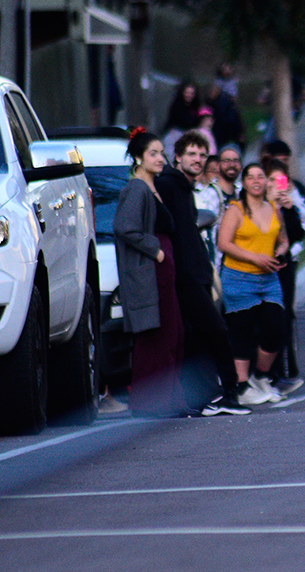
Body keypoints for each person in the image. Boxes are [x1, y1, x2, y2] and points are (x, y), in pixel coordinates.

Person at [156, 131, 251, 415]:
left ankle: (204, 397)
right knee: (217, 331)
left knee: (197, 338)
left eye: (202, 155)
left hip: (197, 273)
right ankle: (229, 394)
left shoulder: (186, 188)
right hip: (184, 276)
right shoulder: (168, 186)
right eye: (191, 154)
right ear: (177, 157)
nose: (197, 160)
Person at [112, 129, 187, 417]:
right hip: (150, 274)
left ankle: (171, 400)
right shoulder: (137, 189)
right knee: (156, 338)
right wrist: (156, 251)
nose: (159, 158)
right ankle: (150, 404)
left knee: (173, 335)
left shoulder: (153, 188)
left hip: (164, 273)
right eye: (153, 153)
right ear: (138, 158)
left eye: (161, 153)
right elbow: (125, 227)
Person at [217, 162, 291, 406]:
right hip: (239, 278)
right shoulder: (236, 210)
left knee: (275, 327)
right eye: (251, 177)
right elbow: (223, 243)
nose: (257, 181)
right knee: (242, 331)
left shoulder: (273, 208)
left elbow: (283, 240)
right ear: (244, 183)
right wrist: (255, 258)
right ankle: (241, 386)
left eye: (261, 177)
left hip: (268, 279)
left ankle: (260, 376)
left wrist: (279, 254)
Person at [263, 158, 305, 395]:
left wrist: (289, 209)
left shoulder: (287, 205)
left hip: (284, 266)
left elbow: (298, 234)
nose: (274, 185)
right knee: (267, 320)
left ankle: (286, 371)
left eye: (279, 180)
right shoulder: (256, 205)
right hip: (262, 268)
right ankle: (268, 374)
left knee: (284, 316)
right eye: (270, 179)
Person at [162, 79, 200, 157]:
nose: (189, 95)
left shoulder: (195, 107)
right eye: (187, 93)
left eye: (192, 93)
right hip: (176, 133)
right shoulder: (177, 105)